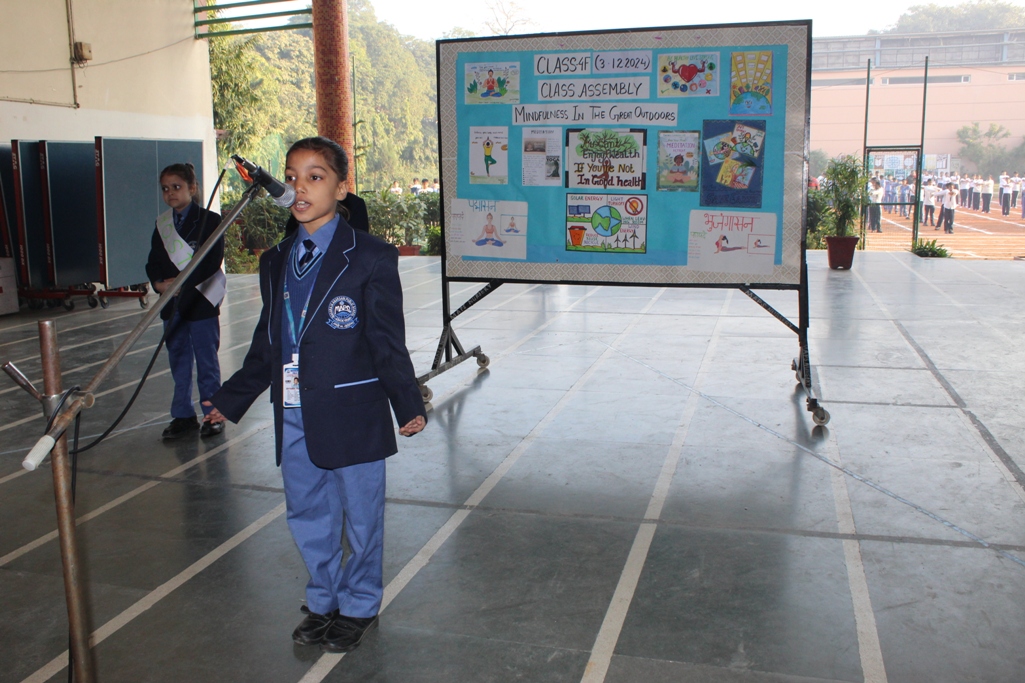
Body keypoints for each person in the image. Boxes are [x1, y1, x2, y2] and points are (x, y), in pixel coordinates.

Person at [204, 136, 427, 654]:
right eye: (292, 176)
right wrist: (231, 398)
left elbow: (386, 340)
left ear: (341, 188)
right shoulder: (276, 259)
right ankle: (323, 598)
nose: (299, 187)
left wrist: (406, 402)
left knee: (362, 515)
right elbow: (268, 341)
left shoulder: (370, 256)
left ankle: (360, 604)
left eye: (315, 176)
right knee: (306, 510)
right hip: (294, 411)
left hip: (353, 409)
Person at [146, 162, 225, 440]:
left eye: (177, 187)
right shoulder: (162, 225)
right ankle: (182, 415)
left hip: (200, 301)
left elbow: (211, 262)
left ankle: (212, 414)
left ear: (192, 188)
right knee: (178, 360)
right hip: (172, 303)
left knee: (206, 361)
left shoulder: (210, 220)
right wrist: (159, 284)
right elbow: (154, 260)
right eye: (165, 189)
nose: (170, 193)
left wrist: (183, 285)